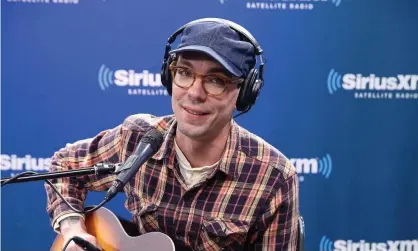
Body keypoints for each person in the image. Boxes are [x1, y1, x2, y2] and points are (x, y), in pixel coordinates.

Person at [45, 18, 300, 251]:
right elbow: (64, 166)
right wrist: (72, 230)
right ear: (169, 76)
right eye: (185, 73)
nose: (195, 93)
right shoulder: (136, 137)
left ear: (244, 94)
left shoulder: (273, 177)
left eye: (216, 80)